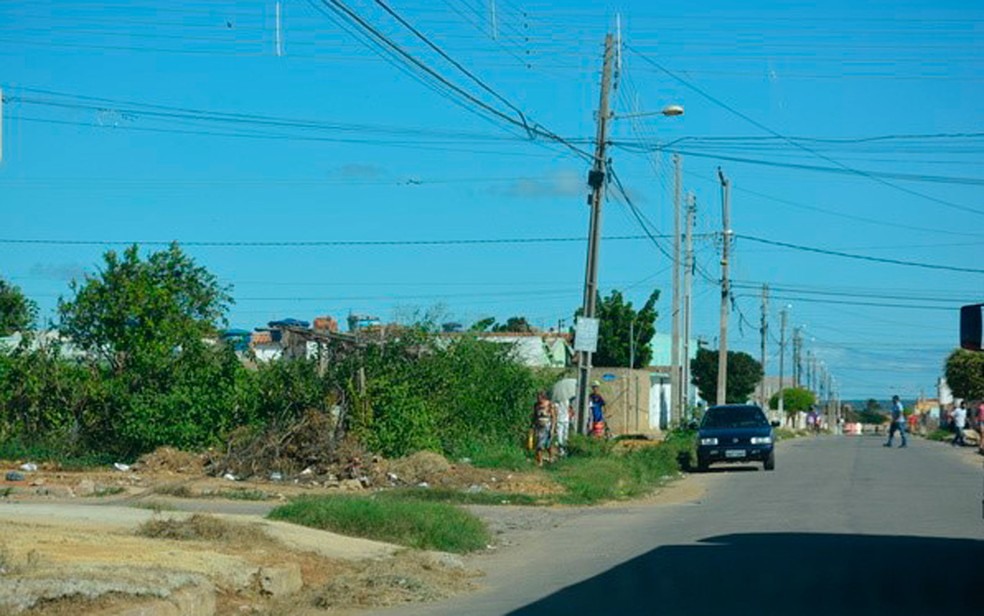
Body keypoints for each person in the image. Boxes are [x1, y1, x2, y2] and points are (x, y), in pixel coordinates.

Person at [531, 391, 555, 466]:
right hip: (539, 427)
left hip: (547, 426)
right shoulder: (536, 405)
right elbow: (534, 416)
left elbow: (553, 417)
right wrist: (532, 425)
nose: (538, 399)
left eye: (540, 397)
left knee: (548, 445)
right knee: (539, 445)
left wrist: (552, 429)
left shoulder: (549, 404)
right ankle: (540, 462)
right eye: (538, 397)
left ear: (544, 397)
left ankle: (551, 457)